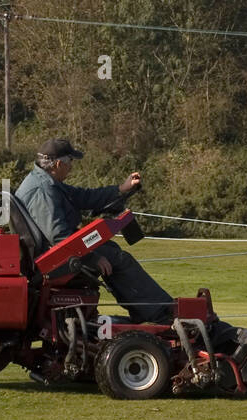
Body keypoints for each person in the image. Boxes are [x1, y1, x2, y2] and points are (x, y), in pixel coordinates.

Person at [15, 137, 175, 324]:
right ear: (58, 164)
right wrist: (92, 258)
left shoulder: (47, 183)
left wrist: (121, 189)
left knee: (111, 249)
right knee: (117, 259)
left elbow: (84, 197)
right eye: (70, 162)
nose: (71, 167)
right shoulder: (42, 190)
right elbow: (59, 237)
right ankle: (159, 312)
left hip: (54, 255)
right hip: (54, 261)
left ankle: (148, 309)